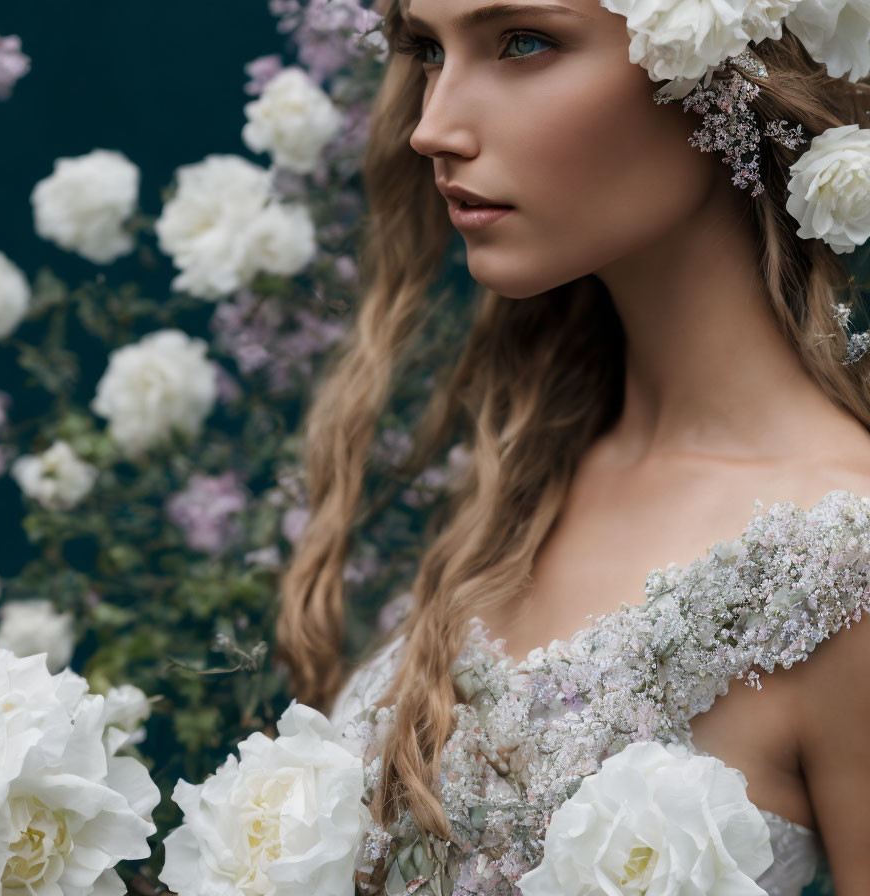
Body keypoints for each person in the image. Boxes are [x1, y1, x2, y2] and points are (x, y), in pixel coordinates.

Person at [274, 0, 870, 893]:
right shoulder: (527, 476)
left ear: (724, 74)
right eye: (428, 50)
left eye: (523, 42)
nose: (431, 128)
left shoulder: (846, 561)